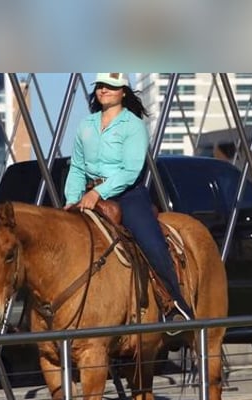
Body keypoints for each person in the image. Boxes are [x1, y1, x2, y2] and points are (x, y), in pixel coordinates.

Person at [63, 72, 193, 330]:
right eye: (101, 86)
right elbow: (77, 167)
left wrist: (98, 193)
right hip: (88, 196)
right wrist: (71, 200)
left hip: (127, 195)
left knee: (151, 242)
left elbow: (131, 170)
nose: (104, 90)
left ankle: (174, 304)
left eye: (111, 86)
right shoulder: (85, 125)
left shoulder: (133, 125)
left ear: (123, 92)